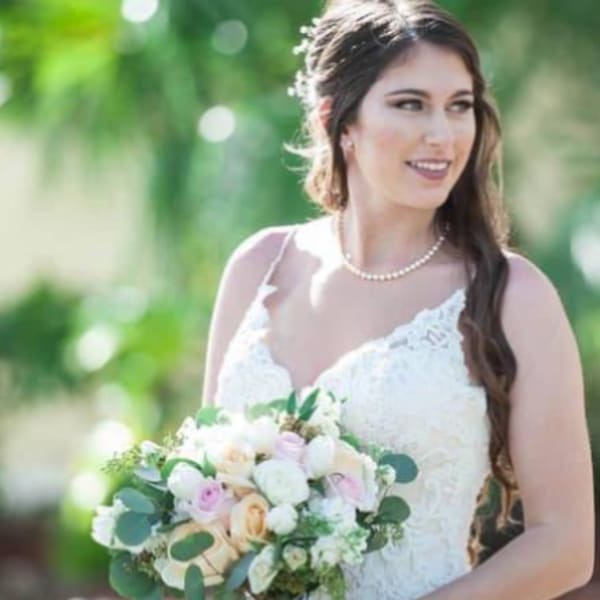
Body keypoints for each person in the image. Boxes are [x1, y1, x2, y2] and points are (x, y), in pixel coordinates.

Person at [201, 0, 595, 598]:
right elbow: (205, 489)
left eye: (458, 107)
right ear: (339, 121)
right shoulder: (260, 266)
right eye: (410, 104)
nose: (442, 135)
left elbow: (565, 545)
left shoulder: (514, 296)